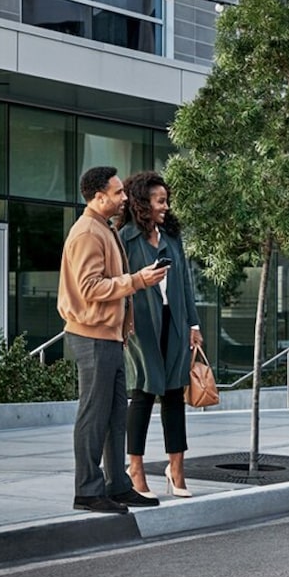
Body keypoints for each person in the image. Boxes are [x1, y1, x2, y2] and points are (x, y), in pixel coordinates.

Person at [58, 166, 168, 514]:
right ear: (98, 196)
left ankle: (117, 485)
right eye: (118, 192)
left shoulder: (103, 229)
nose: (124, 198)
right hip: (92, 337)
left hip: (109, 336)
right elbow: (90, 288)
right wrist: (137, 280)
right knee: (94, 415)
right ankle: (88, 491)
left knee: (115, 414)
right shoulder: (88, 233)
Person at [119, 171, 202, 499]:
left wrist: (193, 324)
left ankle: (176, 468)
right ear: (142, 203)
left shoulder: (171, 237)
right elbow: (121, 284)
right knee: (141, 394)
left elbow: (185, 283)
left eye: (166, 200)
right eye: (160, 201)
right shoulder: (124, 238)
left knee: (173, 396)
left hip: (175, 323)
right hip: (141, 327)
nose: (166, 206)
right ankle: (135, 468)